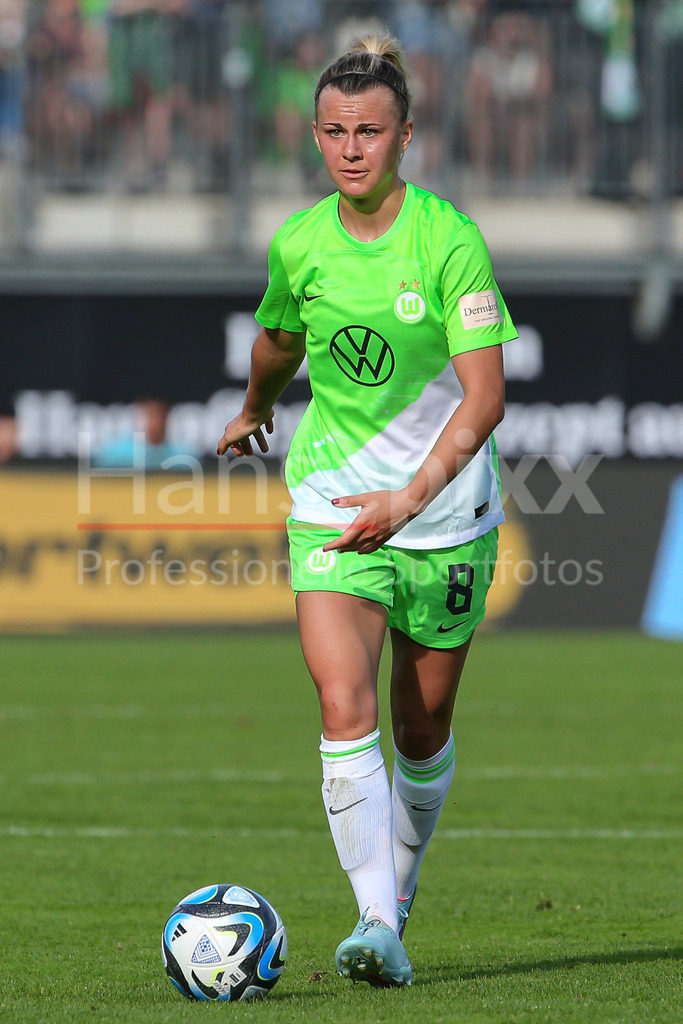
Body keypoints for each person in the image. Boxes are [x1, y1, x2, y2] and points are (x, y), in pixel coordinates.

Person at [217, 32, 517, 989]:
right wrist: (255, 407)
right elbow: (277, 339)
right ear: (314, 135)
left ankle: (397, 896)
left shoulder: (447, 240)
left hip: (444, 514)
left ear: (405, 136)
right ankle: (376, 924)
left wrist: (409, 498)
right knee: (341, 700)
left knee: (419, 730)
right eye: (335, 132)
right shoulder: (299, 242)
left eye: (370, 132)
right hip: (333, 503)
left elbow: (484, 399)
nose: (351, 149)